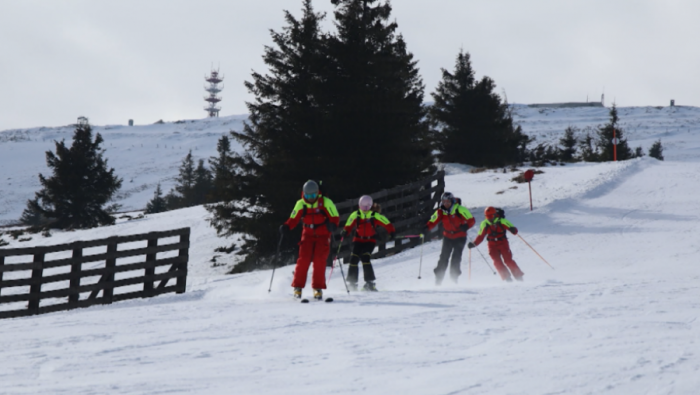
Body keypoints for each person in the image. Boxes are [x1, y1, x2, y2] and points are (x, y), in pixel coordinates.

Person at [280, 180, 339, 300]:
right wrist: (286, 226)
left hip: (323, 234)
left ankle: (317, 288)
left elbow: (335, 216)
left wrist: (332, 224)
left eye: (313, 196)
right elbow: (294, 218)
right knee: (303, 259)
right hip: (307, 233)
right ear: (303, 194)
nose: (311, 198)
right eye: (307, 196)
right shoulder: (301, 204)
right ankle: (297, 287)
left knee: (319, 260)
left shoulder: (325, 202)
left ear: (317, 193)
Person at [341, 195, 395, 291]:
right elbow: (348, 225)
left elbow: (387, 223)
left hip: (370, 241)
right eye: (363, 207)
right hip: (358, 240)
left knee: (365, 257)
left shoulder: (374, 216)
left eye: (367, 207)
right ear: (359, 205)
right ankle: (352, 283)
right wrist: (345, 231)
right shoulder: (356, 214)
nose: (365, 209)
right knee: (353, 258)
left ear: (370, 206)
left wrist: (392, 232)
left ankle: (369, 283)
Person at [423, 191, 475, 285]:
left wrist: (466, 226)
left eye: (448, 202)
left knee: (456, 257)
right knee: (443, 257)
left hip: (460, 236)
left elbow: (471, 220)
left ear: (452, 201)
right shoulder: (440, 211)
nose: (446, 204)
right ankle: (438, 279)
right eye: (444, 202)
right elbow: (433, 220)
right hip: (447, 236)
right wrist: (427, 228)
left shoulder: (460, 209)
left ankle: (453, 278)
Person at [468, 206, 524, 282]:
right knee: (496, 262)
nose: (489, 218)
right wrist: (474, 243)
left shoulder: (502, 221)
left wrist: (513, 230)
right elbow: (480, 236)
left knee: (508, 260)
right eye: (487, 216)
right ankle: (507, 279)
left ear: (495, 215)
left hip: (502, 243)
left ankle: (519, 277)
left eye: (491, 216)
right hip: (491, 245)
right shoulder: (484, 224)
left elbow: (512, 228)